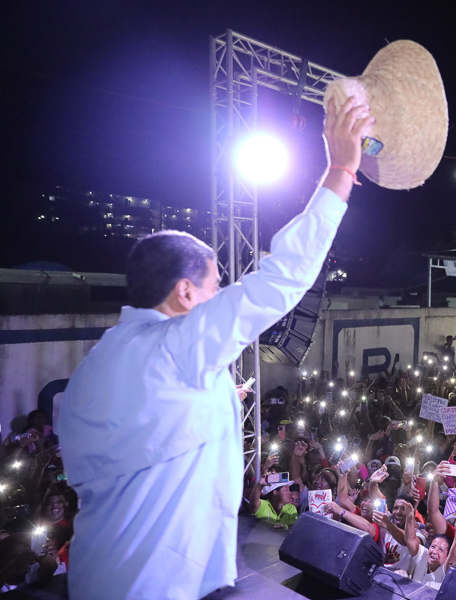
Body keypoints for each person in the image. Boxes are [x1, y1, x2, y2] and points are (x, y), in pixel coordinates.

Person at [57, 96, 374, 600]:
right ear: (185, 293)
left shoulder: (96, 367)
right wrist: (340, 170)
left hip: (97, 576)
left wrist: (221, 403)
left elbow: (149, 442)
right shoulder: (176, 347)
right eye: (214, 287)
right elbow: (282, 278)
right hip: (156, 587)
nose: (218, 299)